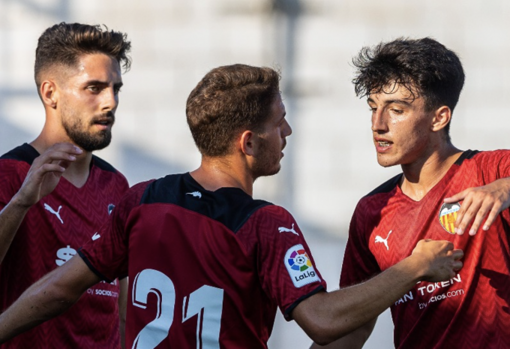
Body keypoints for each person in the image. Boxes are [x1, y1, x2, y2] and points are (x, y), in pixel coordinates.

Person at [0, 64, 463, 348]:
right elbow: (321, 321)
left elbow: (59, 289)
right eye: (280, 122)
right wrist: (414, 266)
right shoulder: (265, 225)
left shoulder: (140, 199)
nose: (287, 134)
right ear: (248, 141)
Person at [315, 38, 510, 349]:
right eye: (373, 108)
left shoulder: (492, 170)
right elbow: (354, 325)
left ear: (439, 117)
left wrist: (504, 187)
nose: (378, 125)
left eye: (396, 109)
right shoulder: (371, 211)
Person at [0, 22, 131, 348]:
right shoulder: (9, 174)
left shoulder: (117, 184)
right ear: (50, 93)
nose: (110, 102)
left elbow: (124, 307)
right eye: (94, 88)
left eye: (116, 89)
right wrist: (20, 203)